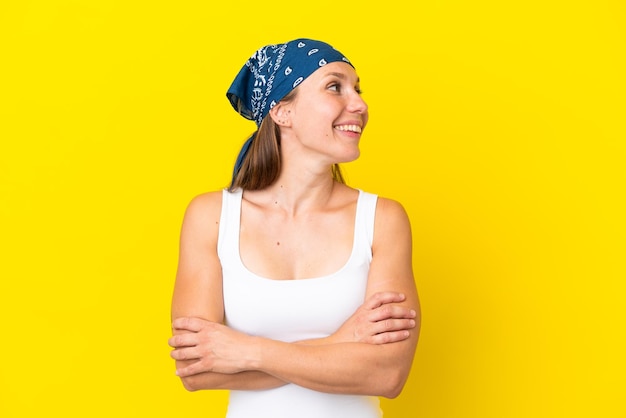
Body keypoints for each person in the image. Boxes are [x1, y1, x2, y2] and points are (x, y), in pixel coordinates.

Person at [168, 38, 421, 418]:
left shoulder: (382, 220)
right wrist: (340, 342)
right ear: (282, 111)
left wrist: (247, 351)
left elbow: (387, 373)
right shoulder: (212, 217)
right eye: (335, 87)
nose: (360, 105)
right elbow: (198, 370)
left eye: (357, 89)